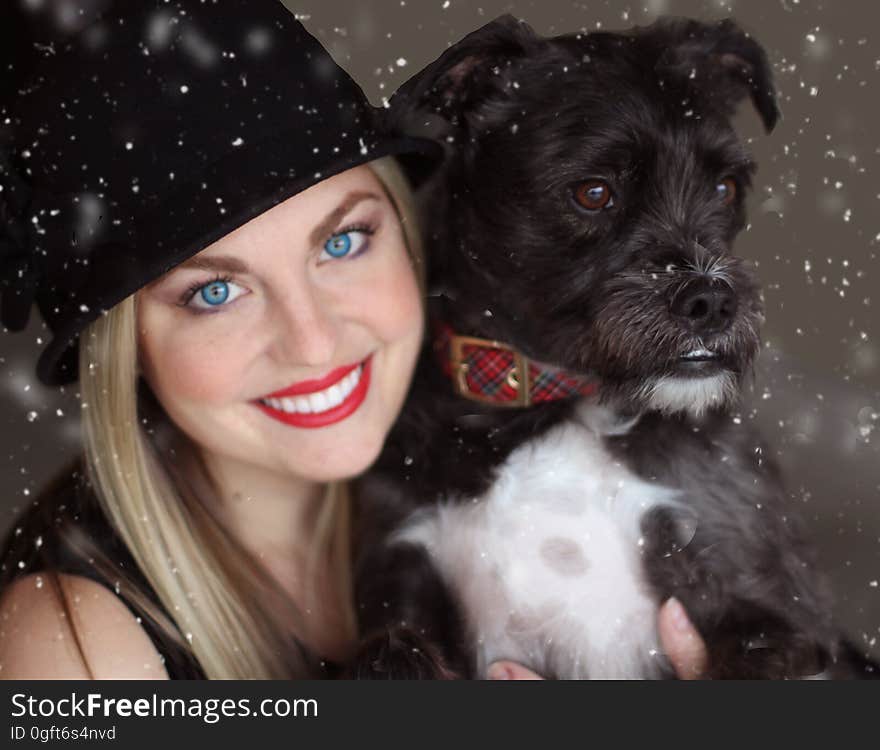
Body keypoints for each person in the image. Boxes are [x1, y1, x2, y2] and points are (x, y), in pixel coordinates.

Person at [0, 0, 707, 680]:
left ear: (404, 228)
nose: (313, 342)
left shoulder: (579, 489)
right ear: (127, 351)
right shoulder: (70, 645)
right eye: (214, 292)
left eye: (342, 241)